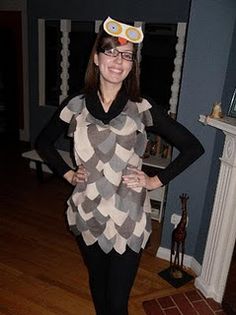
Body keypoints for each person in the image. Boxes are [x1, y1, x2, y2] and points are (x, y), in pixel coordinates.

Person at [35, 16, 204, 315]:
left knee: (117, 302)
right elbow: (44, 143)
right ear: (97, 59)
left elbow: (193, 147)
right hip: (88, 210)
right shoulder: (74, 105)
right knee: (98, 288)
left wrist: (155, 181)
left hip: (128, 217)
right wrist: (69, 174)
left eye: (127, 55)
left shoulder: (142, 108)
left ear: (132, 65)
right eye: (111, 51)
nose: (118, 60)